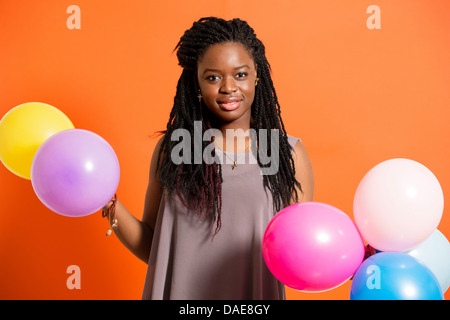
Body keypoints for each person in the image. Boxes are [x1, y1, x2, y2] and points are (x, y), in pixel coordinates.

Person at [102, 17, 314, 300]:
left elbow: (302, 251)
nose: (228, 88)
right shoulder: (175, 149)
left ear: (257, 76)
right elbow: (153, 244)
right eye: (213, 77)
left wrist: (351, 258)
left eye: (240, 74)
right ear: (197, 84)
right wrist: (110, 206)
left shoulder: (286, 153)